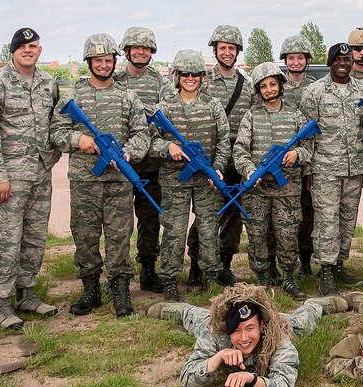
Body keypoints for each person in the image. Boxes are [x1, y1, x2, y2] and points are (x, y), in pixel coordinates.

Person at [50, 33, 151, 318]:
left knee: (120, 236)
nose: (104, 65)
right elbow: (56, 132)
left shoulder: (128, 96)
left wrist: (129, 153)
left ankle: (120, 289)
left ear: (114, 61)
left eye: (108, 60)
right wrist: (78, 140)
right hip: (85, 180)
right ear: (89, 62)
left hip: (119, 180)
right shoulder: (73, 97)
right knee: (85, 236)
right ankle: (90, 288)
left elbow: (142, 133)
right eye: (98, 60)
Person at [0, 27, 60, 330]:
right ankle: (0, 304)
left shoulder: (49, 82)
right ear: (12, 51)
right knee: (6, 241)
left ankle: (27, 294)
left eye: (34, 46)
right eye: (23, 46)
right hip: (8, 178)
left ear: (40, 50)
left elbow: (57, 123)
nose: (29, 50)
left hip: (40, 173)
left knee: (34, 238)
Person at [147, 284, 351, 387]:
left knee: (302, 320)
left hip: (281, 323)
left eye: (250, 328)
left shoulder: (277, 337)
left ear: (261, 325)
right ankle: (180, 309)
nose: (243, 337)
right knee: (197, 317)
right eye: (236, 330)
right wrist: (217, 357)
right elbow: (186, 382)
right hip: (211, 326)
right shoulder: (216, 333)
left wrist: (253, 381)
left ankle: (317, 304)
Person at [152, 49, 230, 301]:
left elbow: (223, 140)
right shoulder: (164, 107)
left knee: (208, 229)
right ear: (176, 76)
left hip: (206, 179)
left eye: (195, 74)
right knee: (174, 229)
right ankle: (170, 279)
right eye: (185, 74)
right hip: (175, 179)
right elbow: (150, 139)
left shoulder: (213, 105)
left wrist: (217, 166)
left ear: (201, 76)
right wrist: (167, 147)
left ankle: (210, 274)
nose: (190, 78)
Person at [233, 63, 311, 300]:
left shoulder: (295, 115)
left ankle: (288, 275)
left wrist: (297, 154)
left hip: (287, 188)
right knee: (257, 233)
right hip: (257, 189)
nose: (269, 90)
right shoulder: (251, 116)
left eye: (272, 84)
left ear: (280, 85)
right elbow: (240, 149)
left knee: (287, 233)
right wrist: (249, 171)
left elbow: (309, 148)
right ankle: (263, 277)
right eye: (263, 86)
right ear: (258, 90)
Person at [299, 43, 363, 295]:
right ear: (330, 62)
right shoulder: (315, 92)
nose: (343, 63)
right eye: (338, 59)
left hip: (354, 168)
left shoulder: (362, 91)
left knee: (347, 220)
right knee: (326, 221)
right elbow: (305, 135)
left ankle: (340, 265)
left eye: (347, 59)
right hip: (324, 169)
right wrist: (307, 169)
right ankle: (326, 272)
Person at [188, 25, 252, 288]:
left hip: (237, 158)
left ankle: (224, 264)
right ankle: (196, 265)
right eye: (222, 48)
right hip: (212, 158)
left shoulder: (246, 85)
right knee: (206, 215)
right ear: (214, 50)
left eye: (231, 48)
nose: (227, 53)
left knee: (234, 216)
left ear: (238, 51)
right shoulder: (202, 82)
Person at [114, 27, 176, 293]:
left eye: (146, 48)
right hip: (120, 162)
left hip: (152, 163)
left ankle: (148, 270)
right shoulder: (115, 80)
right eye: (135, 48)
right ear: (126, 51)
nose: (140, 52)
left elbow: (170, 113)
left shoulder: (161, 83)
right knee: (118, 223)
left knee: (150, 219)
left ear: (152, 52)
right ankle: (117, 276)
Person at [279, 35, 318, 279]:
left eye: (300, 57)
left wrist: (310, 168)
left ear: (307, 60)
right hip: (281, 162)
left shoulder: (315, 87)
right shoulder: (276, 85)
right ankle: (281, 263)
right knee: (283, 217)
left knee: (308, 214)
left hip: (306, 158)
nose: (295, 62)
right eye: (291, 58)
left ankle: (305, 260)